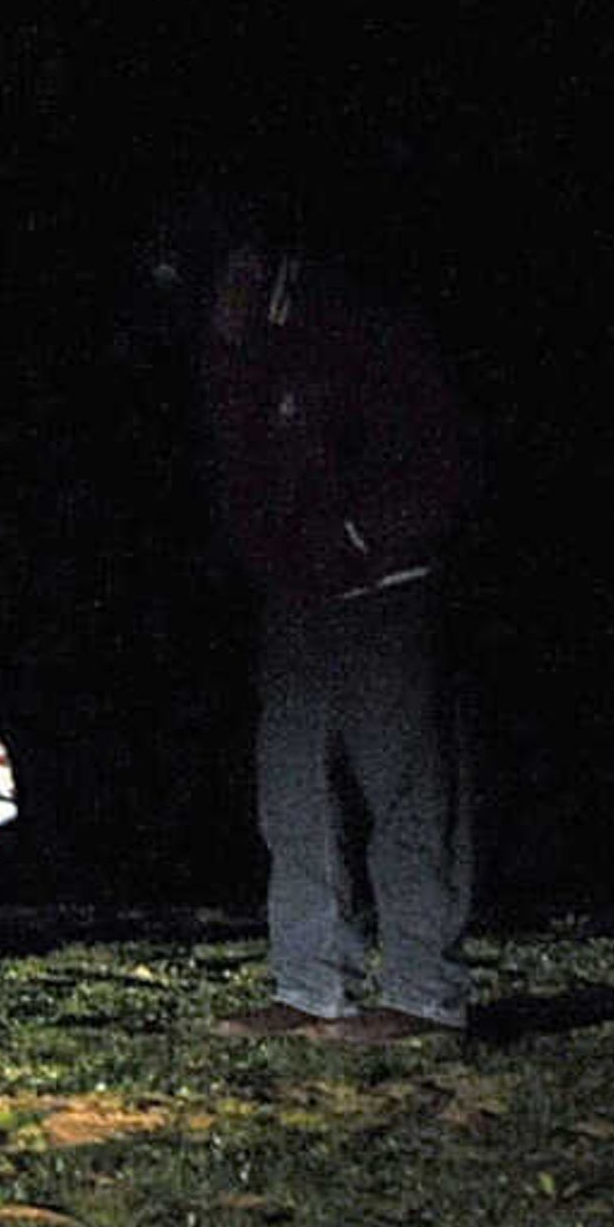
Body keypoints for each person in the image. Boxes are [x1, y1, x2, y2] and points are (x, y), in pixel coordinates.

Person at [146, 199, 481, 1041]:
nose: (202, 303)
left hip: (387, 586)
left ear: (251, 261)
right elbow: (240, 478)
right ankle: (307, 984)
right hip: (297, 601)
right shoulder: (240, 349)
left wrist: (361, 537)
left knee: (405, 786)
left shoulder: (357, 319)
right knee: (292, 793)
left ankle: (424, 995)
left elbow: (443, 456)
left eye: (212, 280)